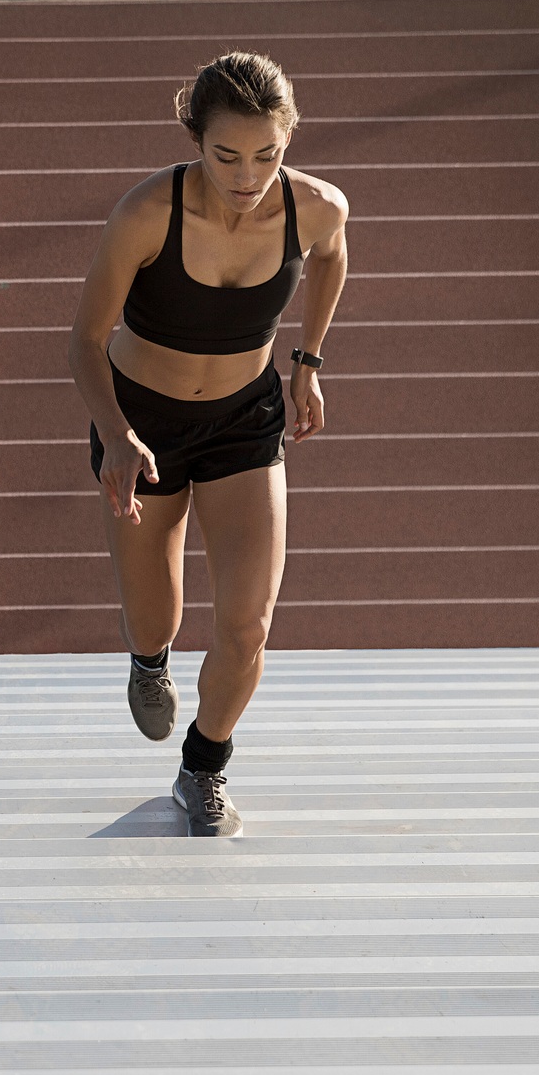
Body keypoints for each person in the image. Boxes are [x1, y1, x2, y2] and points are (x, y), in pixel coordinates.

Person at [69, 52, 349, 836]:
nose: (247, 173)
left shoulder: (316, 207)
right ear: (196, 139)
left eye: (268, 154)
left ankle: (204, 764)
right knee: (154, 617)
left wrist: (310, 360)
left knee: (249, 624)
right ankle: (149, 658)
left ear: (289, 141)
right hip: (141, 424)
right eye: (226, 154)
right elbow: (85, 342)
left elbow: (331, 254)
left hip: (244, 422)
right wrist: (117, 437)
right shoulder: (146, 213)